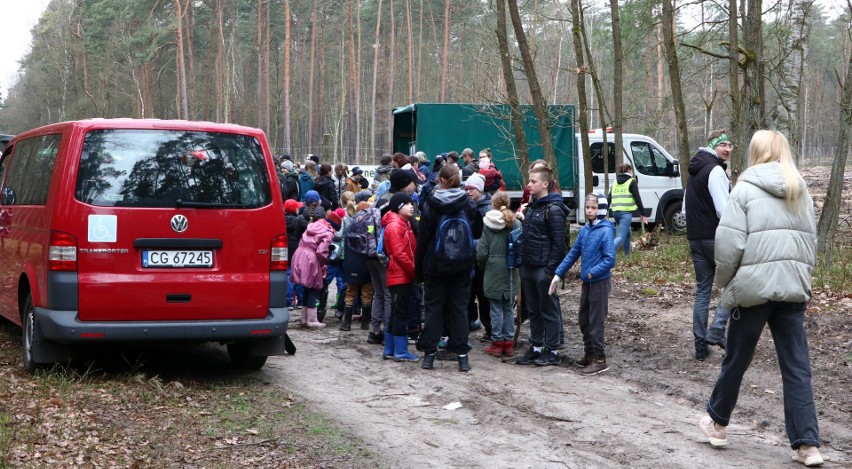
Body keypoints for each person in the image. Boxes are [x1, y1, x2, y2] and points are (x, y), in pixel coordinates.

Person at [699, 130, 822, 467]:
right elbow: (811, 242)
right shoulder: (801, 189)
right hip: (792, 289)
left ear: (756, 152)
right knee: (797, 368)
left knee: (736, 360)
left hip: (753, 290)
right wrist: (801, 277)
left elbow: (729, 246)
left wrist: (726, 286)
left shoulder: (745, 188)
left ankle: (718, 424)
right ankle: (808, 445)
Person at [416, 164, 483, 372]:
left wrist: (418, 270)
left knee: (434, 309)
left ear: (441, 180)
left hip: (435, 266)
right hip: (462, 267)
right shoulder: (468, 204)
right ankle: (462, 357)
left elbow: (423, 240)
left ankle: (429, 356)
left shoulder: (431, 204)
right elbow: (478, 231)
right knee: (459, 310)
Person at [550, 193, 616, 374]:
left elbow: (610, 259)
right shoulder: (585, 229)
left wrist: (592, 272)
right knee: (584, 319)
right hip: (587, 282)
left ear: (601, 209)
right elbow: (573, 254)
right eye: (587, 207)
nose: (589, 210)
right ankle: (589, 353)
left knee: (596, 321)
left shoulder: (606, 230)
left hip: (599, 282)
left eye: (593, 208)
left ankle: (600, 359)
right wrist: (558, 274)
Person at [685, 130, 733, 360]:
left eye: (729, 145)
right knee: (736, 283)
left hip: (695, 238)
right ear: (712, 146)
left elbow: (685, 210)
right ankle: (717, 329)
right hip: (714, 238)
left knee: (703, 290)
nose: (727, 149)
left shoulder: (694, 171)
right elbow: (724, 210)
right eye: (722, 144)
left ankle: (700, 346)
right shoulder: (715, 170)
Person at [516, 162, 569, 366]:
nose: (529, 185)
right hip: (528, 267)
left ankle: (553, 350)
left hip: (543, 270)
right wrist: (522, 264)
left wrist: (550, 272)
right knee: (534, 310)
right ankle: (536, 347)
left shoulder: (554, 209)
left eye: (533, 181)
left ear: (545, 184)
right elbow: (526, 237)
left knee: (549, 309)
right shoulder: (532, 207)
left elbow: (559, 244)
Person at [477, 191, 520, 358]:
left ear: (493, 205)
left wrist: (482, 266)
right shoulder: (515, 223)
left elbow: (481, 252)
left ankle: (497, 342)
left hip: (493, 269)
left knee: (495, 309)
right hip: (510, 269)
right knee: (508, 308)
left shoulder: (488, 223)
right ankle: (508, 344)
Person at [381, 192, 419, 362]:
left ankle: (390, 349)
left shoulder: (404, 223)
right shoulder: (396, 225)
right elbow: (400, 254)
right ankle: (401, 351)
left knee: (396, 313)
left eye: (412, 203)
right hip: (400, 275)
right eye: (407, 203)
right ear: (398, 207)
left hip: (401, 274)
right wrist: (414, 271)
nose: (412, 206)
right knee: (400, 313)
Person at [290, 207, 336, 329]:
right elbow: (321, 251)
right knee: (315, 287)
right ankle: (312, 319)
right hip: (312, 258)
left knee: (306, 287)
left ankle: (305, 318)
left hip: (300, 254)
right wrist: (323, 263)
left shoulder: (310, 227)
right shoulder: (327, 230)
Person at [464, 173, 493, 339]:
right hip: (469, 258)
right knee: (468, 295)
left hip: (483, 260)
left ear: (480, 190)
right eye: (466, 188)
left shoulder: (488, 209)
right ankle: (467, 325)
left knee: (484, 296)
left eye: (472, 189)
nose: (468, 192)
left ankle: (489, 329)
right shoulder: (466, 206)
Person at [607, 163, 646, 255]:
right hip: (626, 213)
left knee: (627, 232)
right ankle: (607, 252)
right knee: (621, 236)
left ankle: (627, 255)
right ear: (629, 170)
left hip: (615, 212)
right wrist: (643, 213)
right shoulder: (632, 181)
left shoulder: (615, 181)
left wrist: (605, 210)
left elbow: (609, 197)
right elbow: (637, 197)